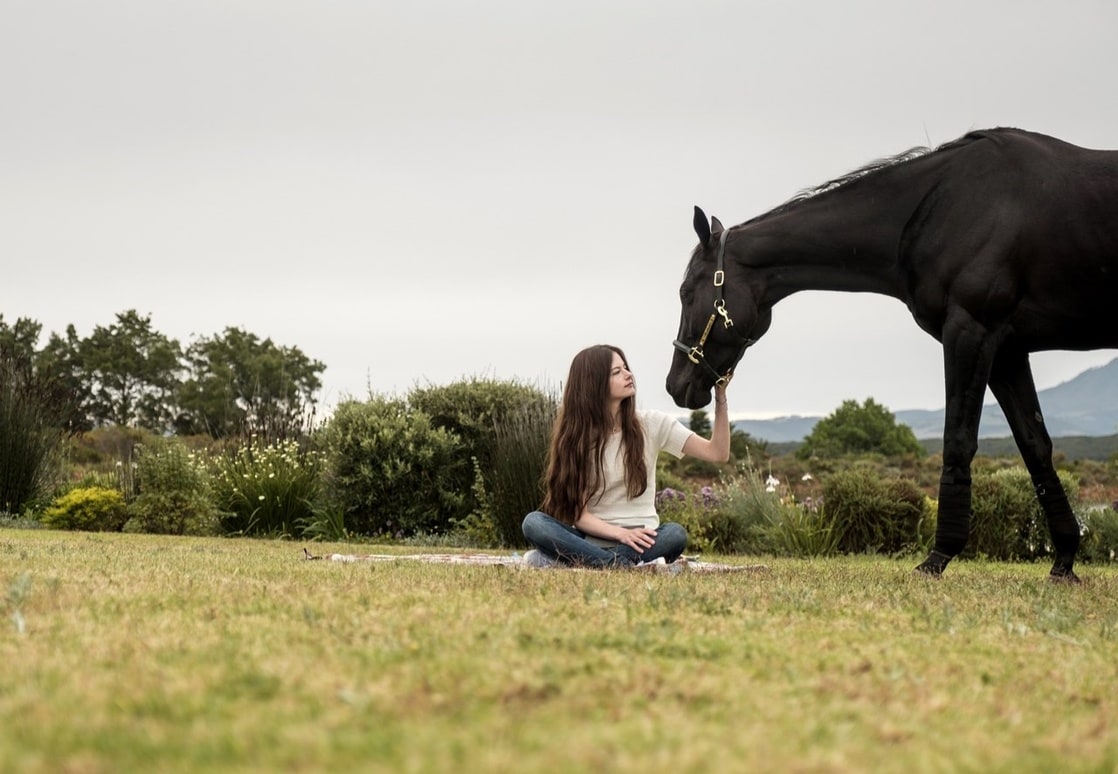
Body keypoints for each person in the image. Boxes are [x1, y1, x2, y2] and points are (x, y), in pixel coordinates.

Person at [521, 344, 732, 568]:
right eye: (617, 372)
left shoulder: (652, 424)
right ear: (594, 383)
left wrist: (720, 397)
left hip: (642, 541)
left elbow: (717, 453)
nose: (628, 374)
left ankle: (579, 562)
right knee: (534, 523)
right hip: (590, 540)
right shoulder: (577, 438)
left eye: (625, 367)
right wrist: (620, 534)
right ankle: (618, 565)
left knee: (674, 535)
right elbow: (579, 516)